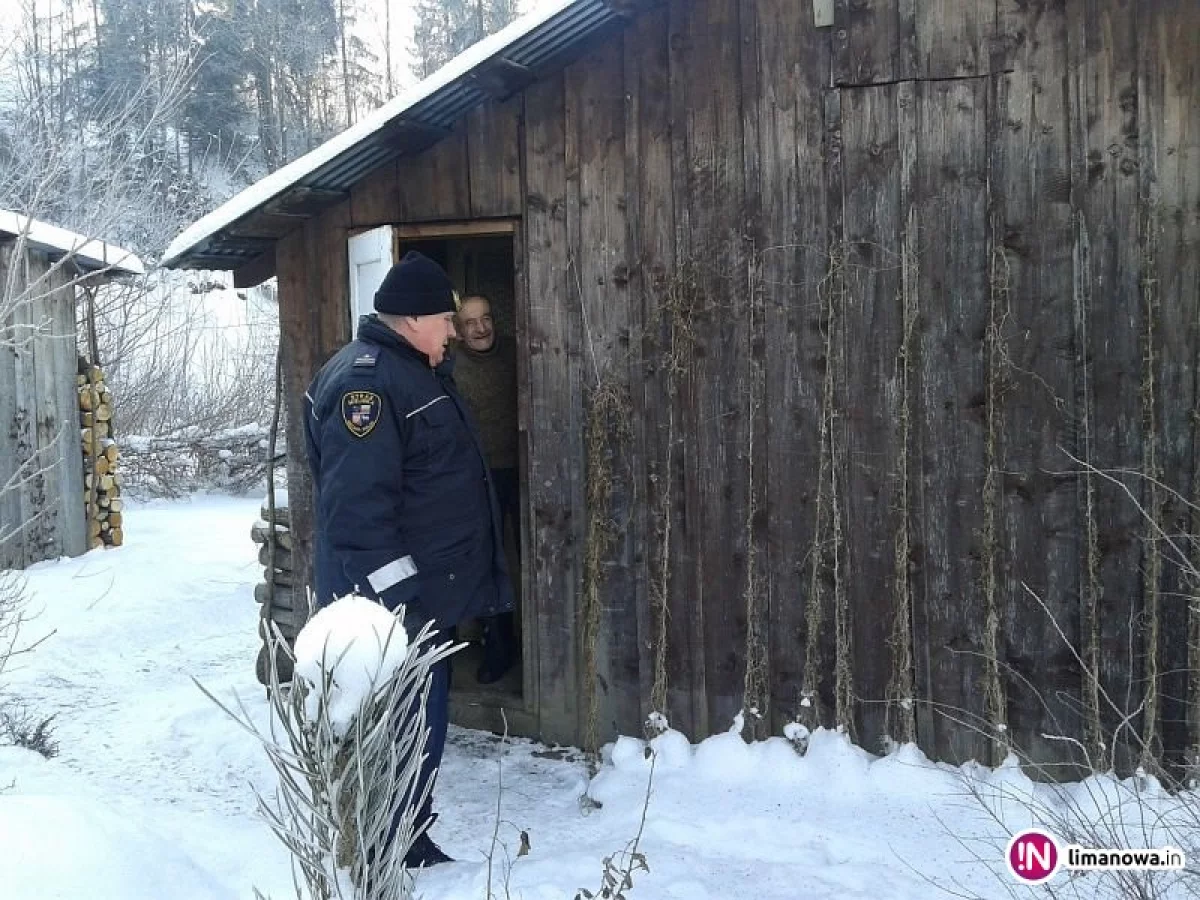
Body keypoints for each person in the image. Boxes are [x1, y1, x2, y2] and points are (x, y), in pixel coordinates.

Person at [303, 250, 514, 868]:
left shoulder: (417, 370)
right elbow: (358, 515)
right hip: (392, 608)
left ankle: (406, 833)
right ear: (412, 318)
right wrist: (402, 600)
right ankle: (388, 847)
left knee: (424, 720)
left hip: (422, 599)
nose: (453, 330)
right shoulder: (365, 385)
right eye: (445, 319)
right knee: (399, 722)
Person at [452, 294, 520, 684]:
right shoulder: (450, 368)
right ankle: (498, 647)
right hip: (478, 478)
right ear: (459, 331)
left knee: (532, 558)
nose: (481, 328)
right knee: (489, 563)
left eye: (486, 318)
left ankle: (535, 647)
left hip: (526, 471)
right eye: (471, 322)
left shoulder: (517, 353)